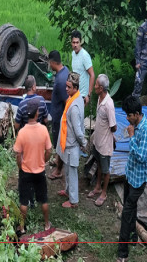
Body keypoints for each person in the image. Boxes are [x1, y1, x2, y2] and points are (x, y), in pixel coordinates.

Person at [117, 95, 147, 262]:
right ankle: (133, 236)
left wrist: (131, 137)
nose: (127, 118)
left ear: (137, 114)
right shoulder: (135, 125)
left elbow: (141, 156)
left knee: (126, 213)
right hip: (130, 174)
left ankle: (122, 254)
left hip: (139, 179)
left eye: (129, 115)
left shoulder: (145, 130)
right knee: (129, 208)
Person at [13, 98, 52, 235]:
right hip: (40, 169)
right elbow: (49, 151)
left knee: (24, 201)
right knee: (43, 199)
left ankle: (22, 228)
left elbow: (18, 154)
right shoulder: (43, 130)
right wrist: (44, 160)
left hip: (26, 171)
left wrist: (20, 166)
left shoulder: (22, 132)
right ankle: (47, 224)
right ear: (37, 114)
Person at [56, 72, 87, 208]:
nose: (66, 89)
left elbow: (78, 131)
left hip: (72, 144)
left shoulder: (74, 107)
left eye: (69, 87)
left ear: (75, 87)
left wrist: (84, 144)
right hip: (68, 143)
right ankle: (68, 191)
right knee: (68, 171)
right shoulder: (77, 97)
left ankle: (73, 201)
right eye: (66, 86)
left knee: (72, 172)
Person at [88, 74, 117, 207]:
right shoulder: (100, 99)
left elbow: (114, 127)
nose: (94, 87)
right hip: (98, 140)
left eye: (96, 85)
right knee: (99, 163)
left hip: (105, 143)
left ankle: (104, 193)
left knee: (105, 169)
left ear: (101, 88)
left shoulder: (109, 105)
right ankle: (98, 186)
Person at [47, 50, 69, 180]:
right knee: (58, 143)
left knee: (59, 144)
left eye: (50, 63)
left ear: (53, 63)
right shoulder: (65, 70)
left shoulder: (61, 81)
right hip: (59, 115)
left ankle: (58, 170)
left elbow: (67, 101)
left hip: (59, 117)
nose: (49, 65)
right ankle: (57, 160)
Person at [70, 30, 95, 105]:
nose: (75, 45)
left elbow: (92, 75)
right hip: (75, 92)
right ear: (71, 43)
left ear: (80, 42)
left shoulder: (84, 55)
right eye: (73, 42)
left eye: (77, 42)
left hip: (83, 95)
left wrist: (89, 95)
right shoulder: (73, 54)